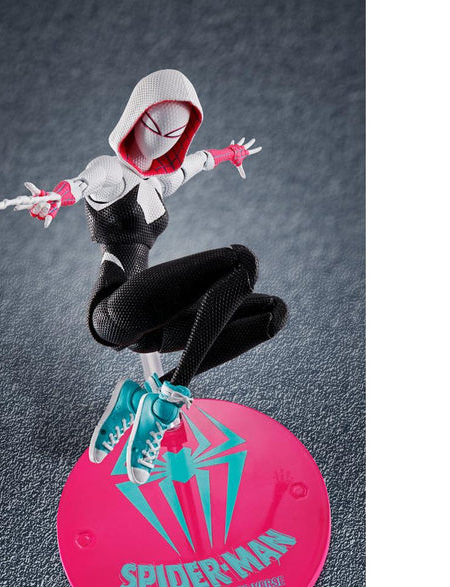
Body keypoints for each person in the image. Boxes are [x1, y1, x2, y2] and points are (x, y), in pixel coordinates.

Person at [23, 69, 287, 485]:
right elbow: (81, 184)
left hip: (149, 324)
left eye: (175, 133)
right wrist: (56, 197)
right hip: (113, 312)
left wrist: (230, 154)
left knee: (272, 313)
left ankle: (145, 396)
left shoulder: (160, 183)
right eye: (155, 127)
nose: (163, 140)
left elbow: (200, 161)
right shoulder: (111, 171)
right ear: (134, 118)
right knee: (241, 262)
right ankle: (167, 401)